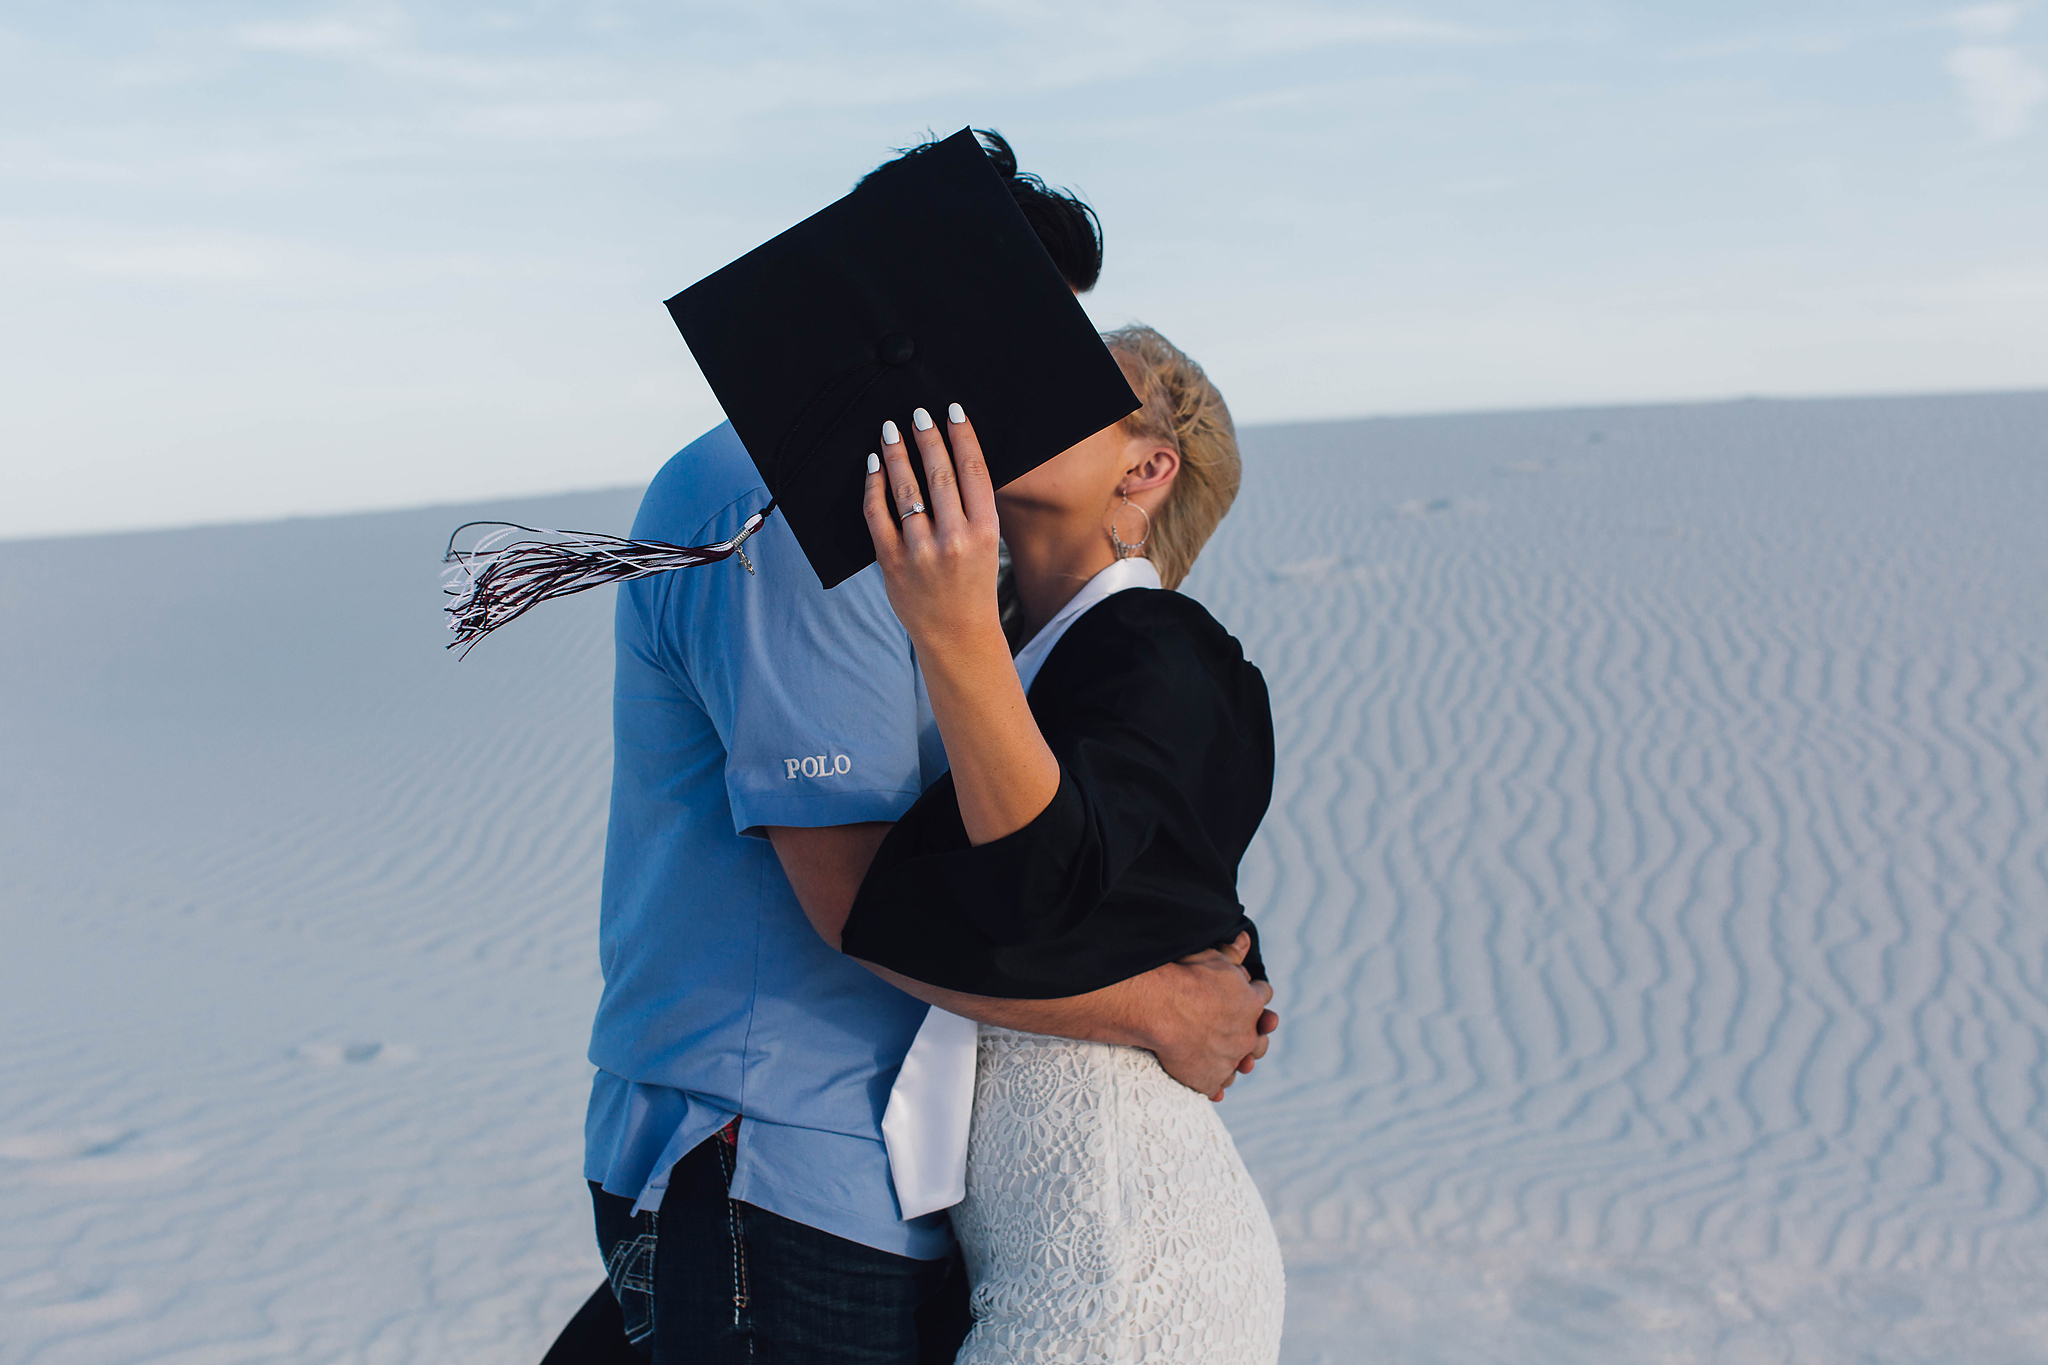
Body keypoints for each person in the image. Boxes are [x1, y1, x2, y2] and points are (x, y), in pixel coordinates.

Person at [540, 133, 1279, 1365]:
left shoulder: (1019, 583)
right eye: (1039, 332)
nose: (1047, 380)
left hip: (854, 1170)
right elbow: (857, 896)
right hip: (776, 1147)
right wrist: (1159, 1008)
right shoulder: (793, 504)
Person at [837, 325, 1285, 1363]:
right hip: (1049, 1254)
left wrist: (952, 627)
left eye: (1071, 388)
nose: (1018, 391)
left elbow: (1036, 892)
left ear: (1144, 467)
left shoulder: (1168, 652)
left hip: (1123, 1264)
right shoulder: (1034, 662)